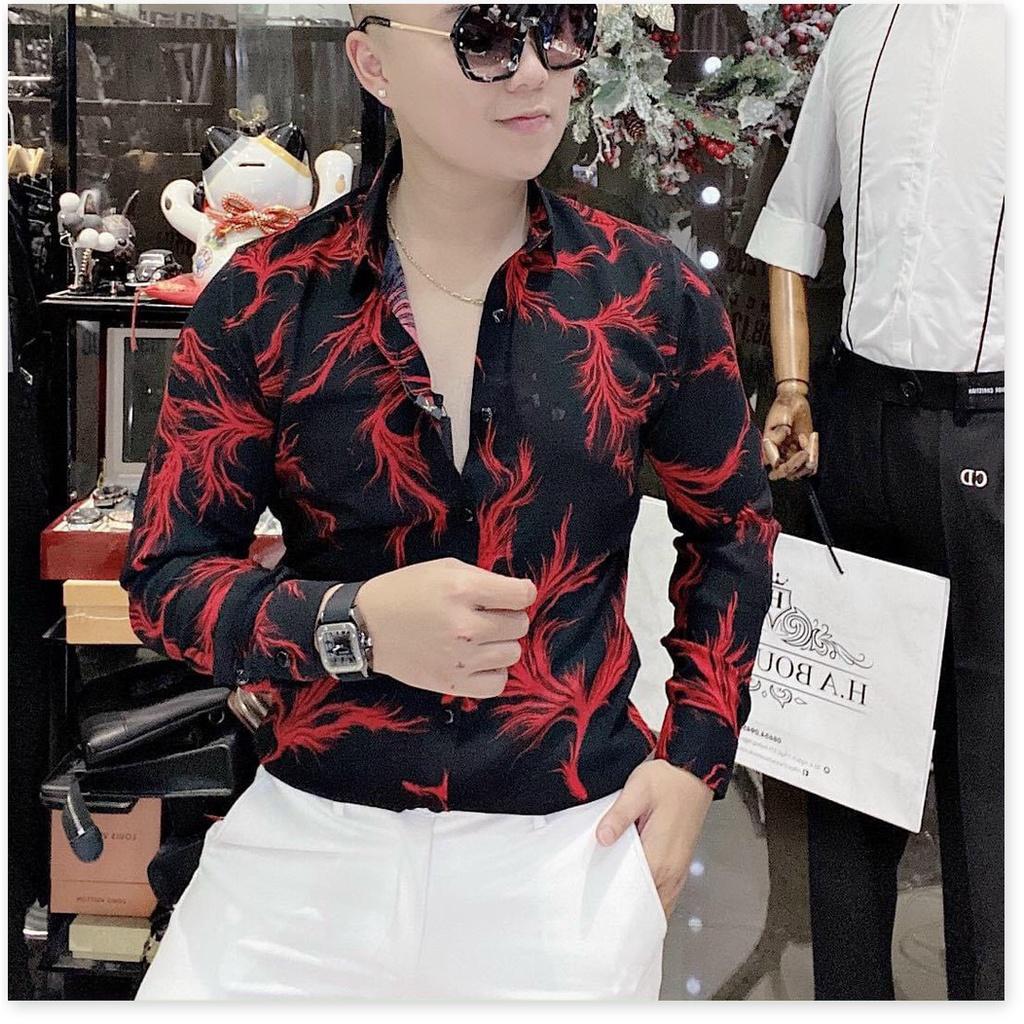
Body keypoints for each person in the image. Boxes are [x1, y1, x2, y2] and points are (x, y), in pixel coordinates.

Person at [122, 3, 777, 1000]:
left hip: (566, 848)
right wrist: (351, 624)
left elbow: (732, 527)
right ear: (372, 61)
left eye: (558, 29)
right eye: (485, 37)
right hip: (307, 843)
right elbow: (166, 576)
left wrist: (695, 757)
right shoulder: (264, 297)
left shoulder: (648, 294)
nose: (535, 71)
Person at [746, 3, 1004, 1001]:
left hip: (994, 429)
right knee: (841, 754)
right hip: (856, 425)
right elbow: (793, 219)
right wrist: (794, 384)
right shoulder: (863, 25)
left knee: (991, 773)